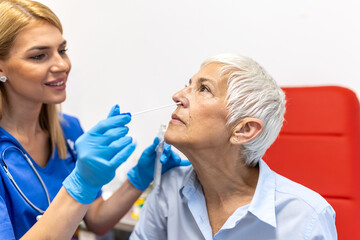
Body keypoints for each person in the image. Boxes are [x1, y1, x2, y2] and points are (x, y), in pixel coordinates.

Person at [0, 0, 189, 239]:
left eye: (62, 50)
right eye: (39, 56)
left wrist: (139, 177)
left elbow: (95, 220)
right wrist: (80, 183)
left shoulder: (68, 130)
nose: (62, 65)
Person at [130, 54, 338, 240]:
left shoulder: (305, 217)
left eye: (204, 89)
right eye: (188, 84)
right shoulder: (169, 189)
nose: (177, 96)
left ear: (244, 129)